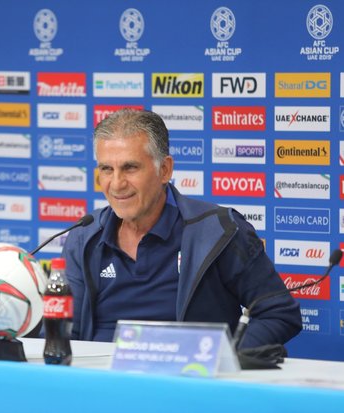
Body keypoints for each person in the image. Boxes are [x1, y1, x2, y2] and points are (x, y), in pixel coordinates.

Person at [63, 109, 301, 349]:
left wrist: (225, 359)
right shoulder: (84, 237)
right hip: (100, 381)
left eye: (130, 168)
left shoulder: (219, 231)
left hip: (190, 381)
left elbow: (279, 314)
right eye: (106, 169)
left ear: (164, 170)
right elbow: (66, 330)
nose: (116, 183)